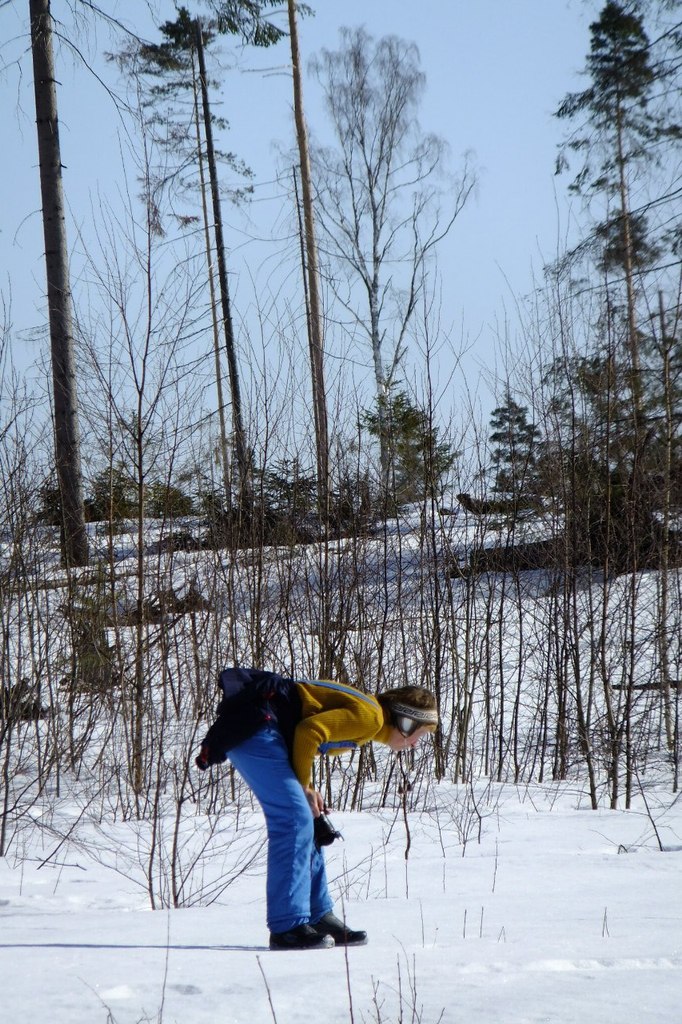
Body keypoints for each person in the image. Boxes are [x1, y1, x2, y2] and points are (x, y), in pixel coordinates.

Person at [196, 671, 438, 951]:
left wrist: (308, 788)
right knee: (294, 818)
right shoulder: (371, 718)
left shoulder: (370, 717)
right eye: (419, 734)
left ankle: (317, 916)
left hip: (266, 729)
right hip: (257, 728)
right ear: (406, 722)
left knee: (309, 818)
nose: (415, 744)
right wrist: (304, 788)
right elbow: (308, 732)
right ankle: (288, 927)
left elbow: (303, 733)